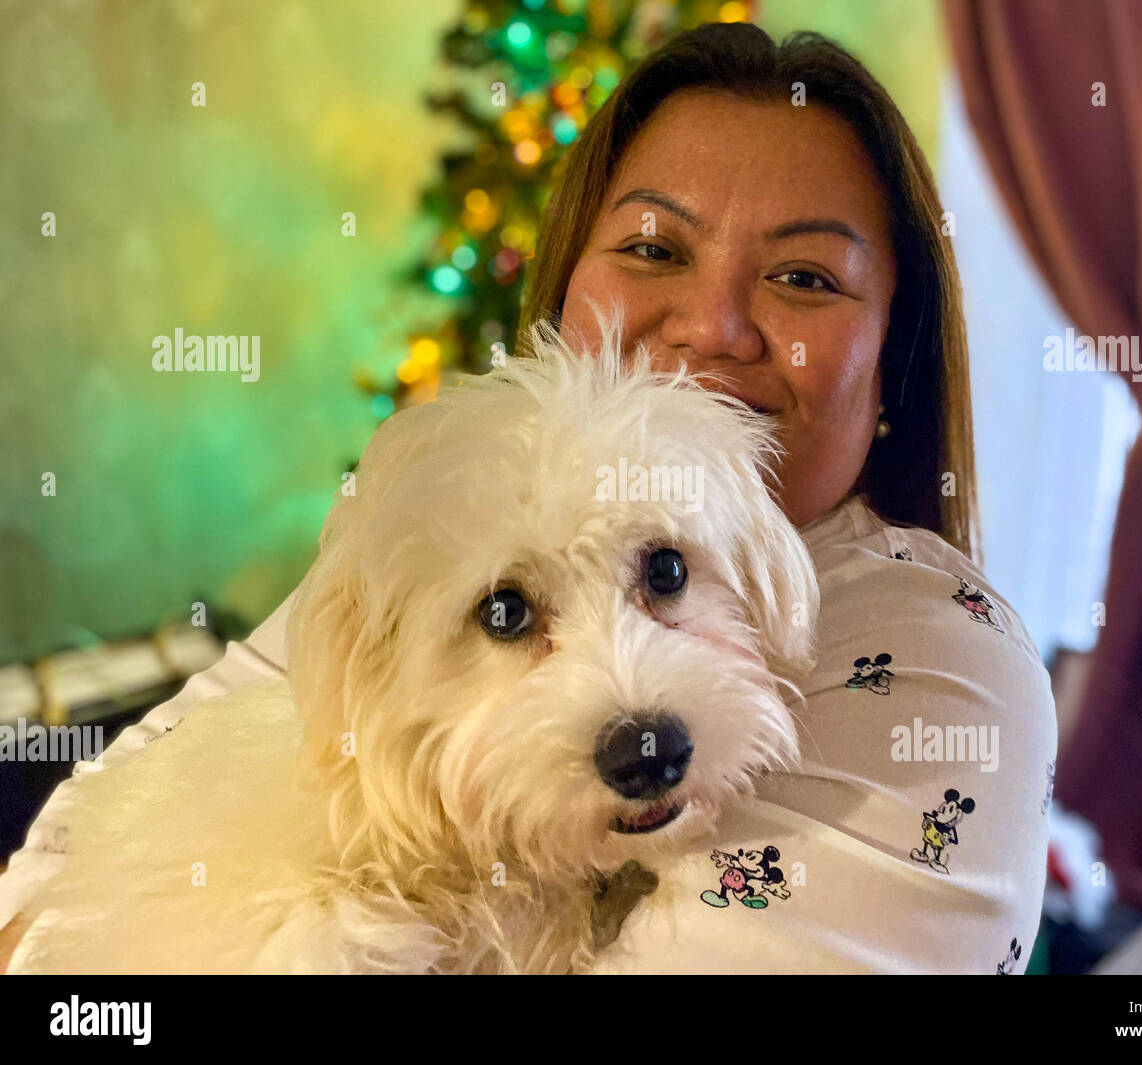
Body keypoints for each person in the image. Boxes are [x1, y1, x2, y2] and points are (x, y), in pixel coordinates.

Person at [0, 22, 1055, 974]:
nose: (712, 326)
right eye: (652, 249)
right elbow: (63, 859)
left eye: (804, 279)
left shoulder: (936, 660)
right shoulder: (427, 530)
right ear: (561, 294)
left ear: (892, 360)